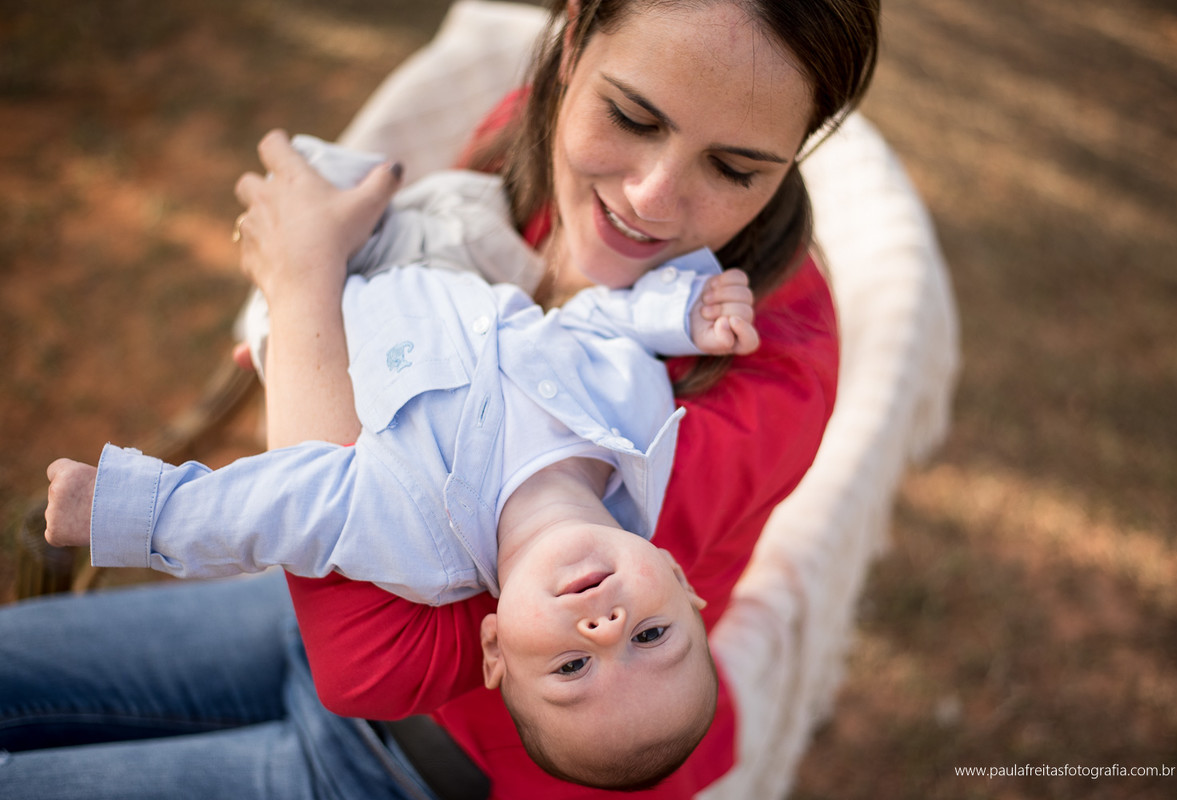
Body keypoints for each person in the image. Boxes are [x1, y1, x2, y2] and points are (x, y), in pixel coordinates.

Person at [0, 0, 880, 797]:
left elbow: (366, 658)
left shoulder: (766, 375)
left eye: (735, 168)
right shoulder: (527, 142)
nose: (649, 199)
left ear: (794, 158)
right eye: (632, 116)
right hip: (290, 615)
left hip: (421, 771)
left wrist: (304, 281)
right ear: (572, 41)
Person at [39, 133, 760, 786]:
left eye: (572, 667)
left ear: (495, 646)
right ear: (674, 577)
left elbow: (276, 507)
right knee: (408, 188)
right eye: (651, 634)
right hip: (438, 262)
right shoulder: (637, 429)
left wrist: (124, 509)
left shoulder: (419, 540)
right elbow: (590, 321)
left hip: (345, 302)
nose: (603, 629)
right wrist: (681, 311)